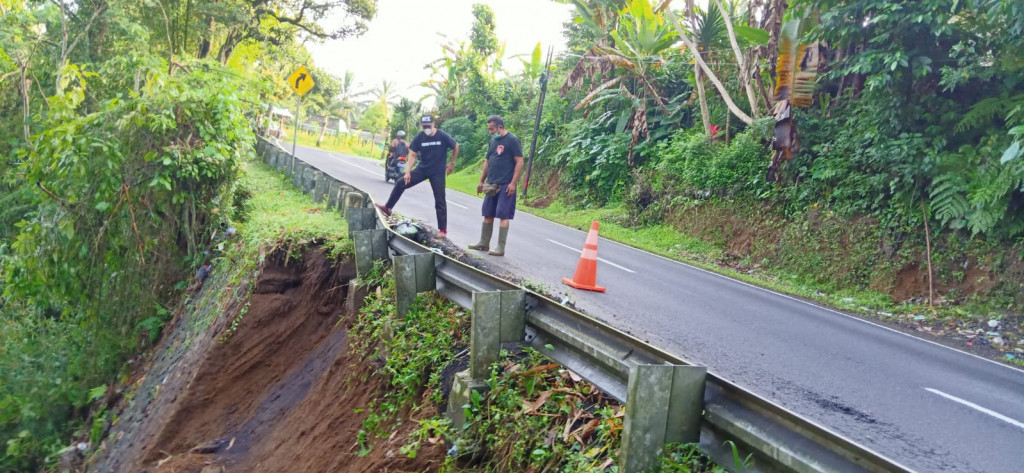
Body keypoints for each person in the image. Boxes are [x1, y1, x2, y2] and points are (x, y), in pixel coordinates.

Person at [375, 115, 459, 238]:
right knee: (400, 183)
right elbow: (412, 155)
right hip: (423, 169)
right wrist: (408, 172)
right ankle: (388, 207)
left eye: (428, 126)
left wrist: (452, 163)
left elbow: (456, 146)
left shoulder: (442, 135)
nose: (426, 128)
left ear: (433, 124)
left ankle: (443, 230)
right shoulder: (420, 137)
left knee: (440, 200)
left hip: (438, 172)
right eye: (424, 126)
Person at [468, 115, 523, 256]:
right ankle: (484, 243)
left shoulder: (512, 140)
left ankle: (500, 247)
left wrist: (513, 183)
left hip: (505, 184)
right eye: (489, 129)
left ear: (500, 127)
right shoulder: (493, 141)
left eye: (492, 129)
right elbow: (487, 161)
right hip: (491, 182)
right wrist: (481, 180)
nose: (490, 132)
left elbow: (519, 162)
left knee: (503, 216)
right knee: (488, 213)